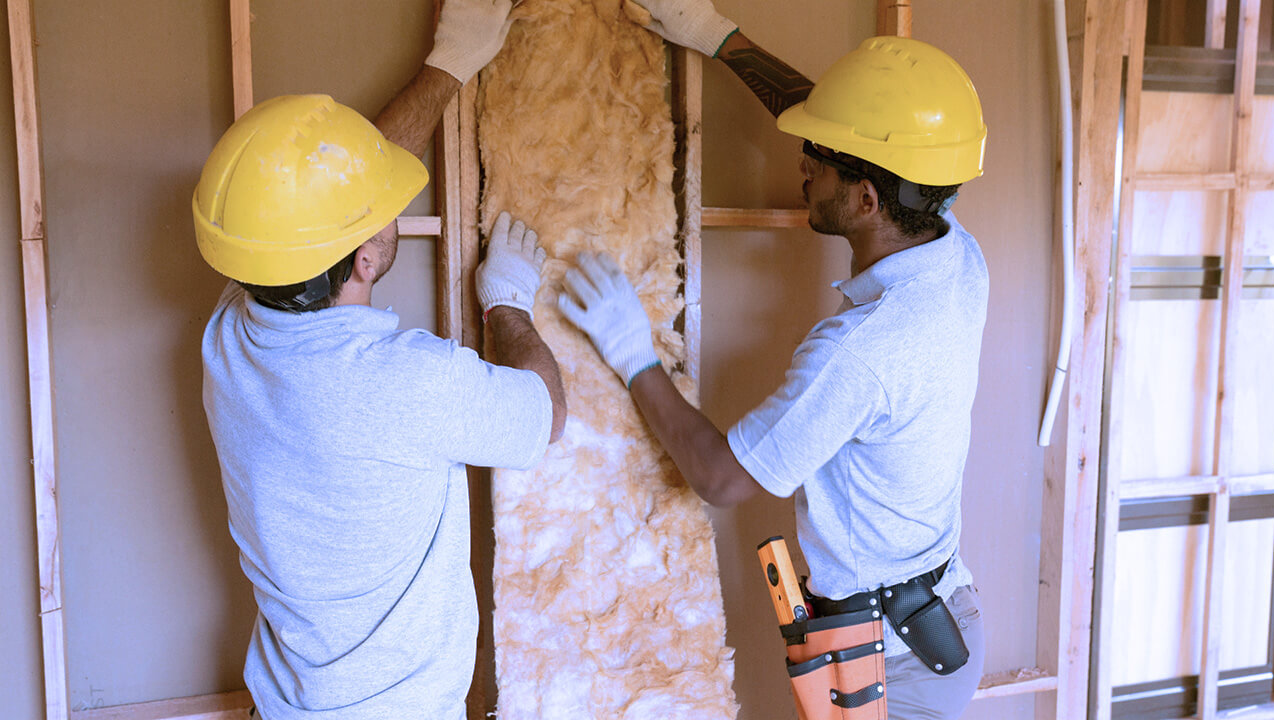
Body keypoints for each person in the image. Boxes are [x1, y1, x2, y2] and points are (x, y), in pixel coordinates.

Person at [558, 2, 988, 718]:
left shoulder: (859, 352)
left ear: (866, 197)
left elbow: (722, 478)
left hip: (892, 669)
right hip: (932, 621)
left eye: (817, 162)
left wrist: (632, 351)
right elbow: (863, 130)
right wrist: (718, 39)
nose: (803, 163)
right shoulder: (951, 249)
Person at [192, 1, 566, 718]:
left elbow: (302, 207)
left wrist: (449, 65)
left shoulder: (230, 337)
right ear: (365, 257)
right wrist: (507, 303)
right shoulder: (405, 381)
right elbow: (542, 414)